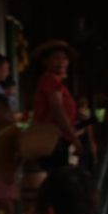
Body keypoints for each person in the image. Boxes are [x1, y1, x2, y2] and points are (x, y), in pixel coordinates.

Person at [29, 40, 81, 173]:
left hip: (55, 140)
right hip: (52, 140)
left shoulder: (56, 82)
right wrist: (74, 138)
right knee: (58, 177)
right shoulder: (50, 79)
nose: (61, 62)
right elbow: (57, 109)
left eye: (64, 58)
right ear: (45, 61)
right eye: (56, 58)